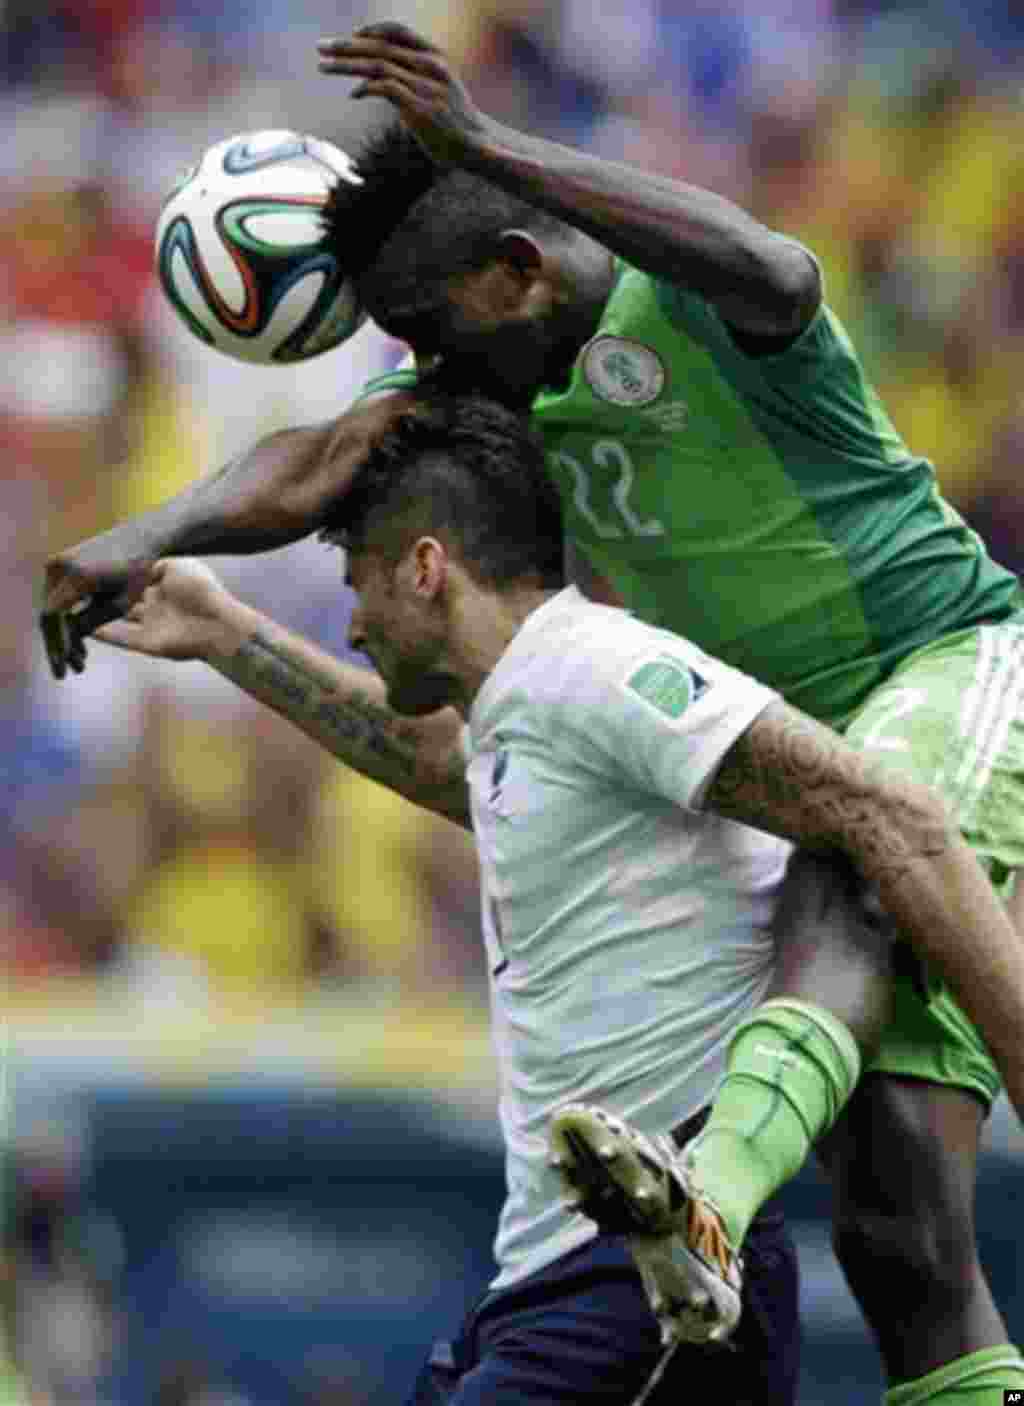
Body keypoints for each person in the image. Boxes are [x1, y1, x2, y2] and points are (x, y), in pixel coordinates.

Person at [38, 21, 1024, 1401]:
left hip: (948, 662)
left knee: (851, 868)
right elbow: (318, 464)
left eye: (429, 331)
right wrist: (146, 537)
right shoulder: (511, 428)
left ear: (513, 272)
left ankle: (712, 1205)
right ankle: (707, 1217)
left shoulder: (685, 316)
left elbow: (782, 265)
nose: (419, 367)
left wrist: (496, 145)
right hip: (803, 760)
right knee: (902, 1229)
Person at [92, 392, 1018, 1402]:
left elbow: (874, 806)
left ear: (426, 566)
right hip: (552, 1275)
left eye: (358, 585)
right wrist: (226, 633)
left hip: (649, 1274)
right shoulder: (521, 712)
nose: (352, 623)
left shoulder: (601, 667)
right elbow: (431, 760)